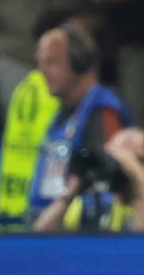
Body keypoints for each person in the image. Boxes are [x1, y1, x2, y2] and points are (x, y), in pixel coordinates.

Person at [28, 20, 132, 223]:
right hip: (48, 224)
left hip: (78, 233)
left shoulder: (102, 110)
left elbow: (108, 184)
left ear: (80, 61)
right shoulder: (62, 112)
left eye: (51, 62)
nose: (42, 71)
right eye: (40, 62)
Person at [33, 125, 144, 232]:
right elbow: (40, 239)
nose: (125, 168)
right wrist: (72, 191)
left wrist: (137, 179)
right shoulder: (91, 205)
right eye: (118, 161)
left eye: (137, 160)